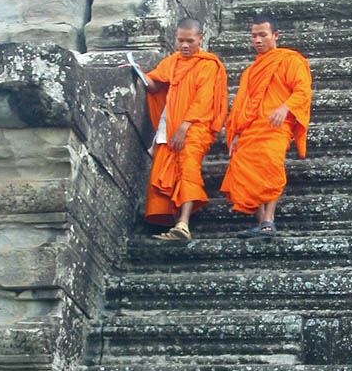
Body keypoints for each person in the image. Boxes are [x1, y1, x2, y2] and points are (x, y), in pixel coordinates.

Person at [123, 17, 228, 240]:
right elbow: (154, 85)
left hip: (195, 125)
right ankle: (172, 222)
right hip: (169, 125)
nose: (185, 45)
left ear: (201, 38)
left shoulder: (208, 64)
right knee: (166, 170)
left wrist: (185, 125)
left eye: (190, 40)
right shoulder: (173, 61)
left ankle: (183, 224)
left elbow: (204, 98)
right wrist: (139, 72)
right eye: (181, 40)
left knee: (188, 168)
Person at [220, 13, 312, 237]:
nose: (258, 40)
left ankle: (269, 219)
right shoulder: (249, 72)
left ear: (275, 35)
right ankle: (262, 223)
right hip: (249, 130)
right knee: (243, 172)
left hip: (275, 127)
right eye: (254, 36)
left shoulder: (289, 60)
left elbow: (302, 90)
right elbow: (241, 103)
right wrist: (235, 132)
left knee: (271, 168)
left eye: (263, 35)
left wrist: (285, 107)